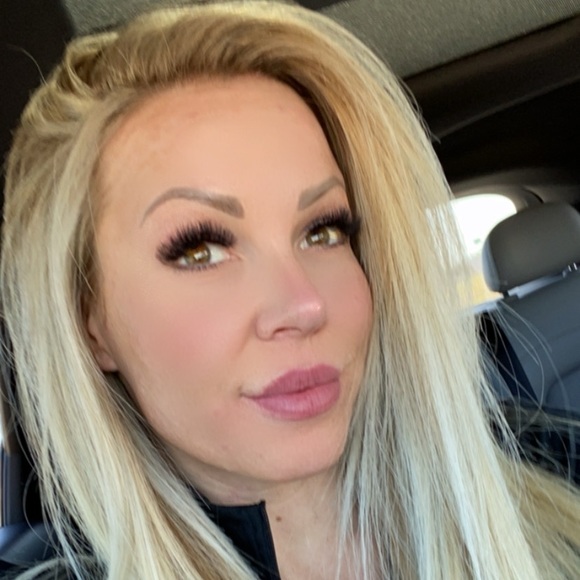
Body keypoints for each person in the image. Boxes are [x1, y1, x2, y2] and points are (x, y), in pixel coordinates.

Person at [1, 2, 579, 578]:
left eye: (323, 231)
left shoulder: (556, 469)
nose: (304, 304)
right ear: (91, 324)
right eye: (200, 250)